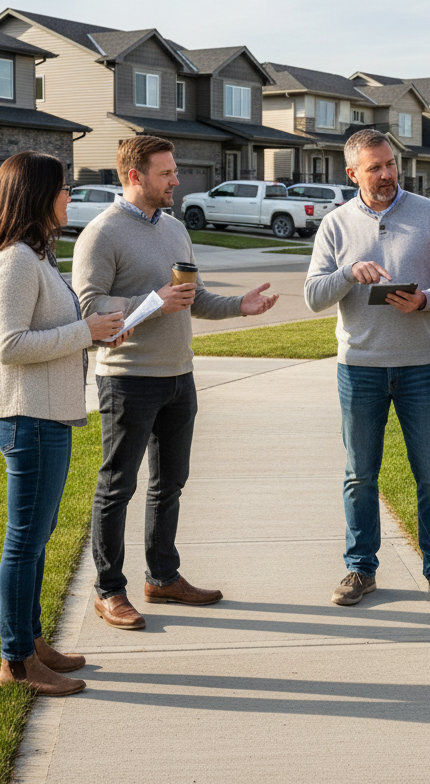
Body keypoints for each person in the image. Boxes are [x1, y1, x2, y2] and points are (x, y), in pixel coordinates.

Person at [73, 135, 278, 630]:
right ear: (134, 176)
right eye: (165, 173)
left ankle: (163, 577)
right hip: (128, 380)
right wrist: (150, 301)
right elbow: (86, 307)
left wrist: (238, 306)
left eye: (174, 170)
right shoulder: (100, 234)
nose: (176, 180)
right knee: (117, 486)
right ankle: (109, 590)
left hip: (178, 377)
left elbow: (194, 296)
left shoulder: (173, 228)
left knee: (170, 484)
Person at [0, 151, 131, 696]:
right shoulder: (16, 260)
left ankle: (31, 641)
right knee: (24, 541)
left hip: (44, 414)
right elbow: (11, 346)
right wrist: (85, 332)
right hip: (28, 416)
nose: (71, 195)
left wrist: (99, 330)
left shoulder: (36, 256)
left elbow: (56, 329)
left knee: (36, 539)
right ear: (37, 196)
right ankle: (16, 660)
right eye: (64, 188)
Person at [304, 129, 430, 610]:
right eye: (374, 167)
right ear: (352, 173)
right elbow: (314, 296)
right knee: (360, 475)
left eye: (390, 164)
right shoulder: (335, 225)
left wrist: (425, 301)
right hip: (360, 369)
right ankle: (361, 569)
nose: (387, 174)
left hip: (421, 366)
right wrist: (348, 273)